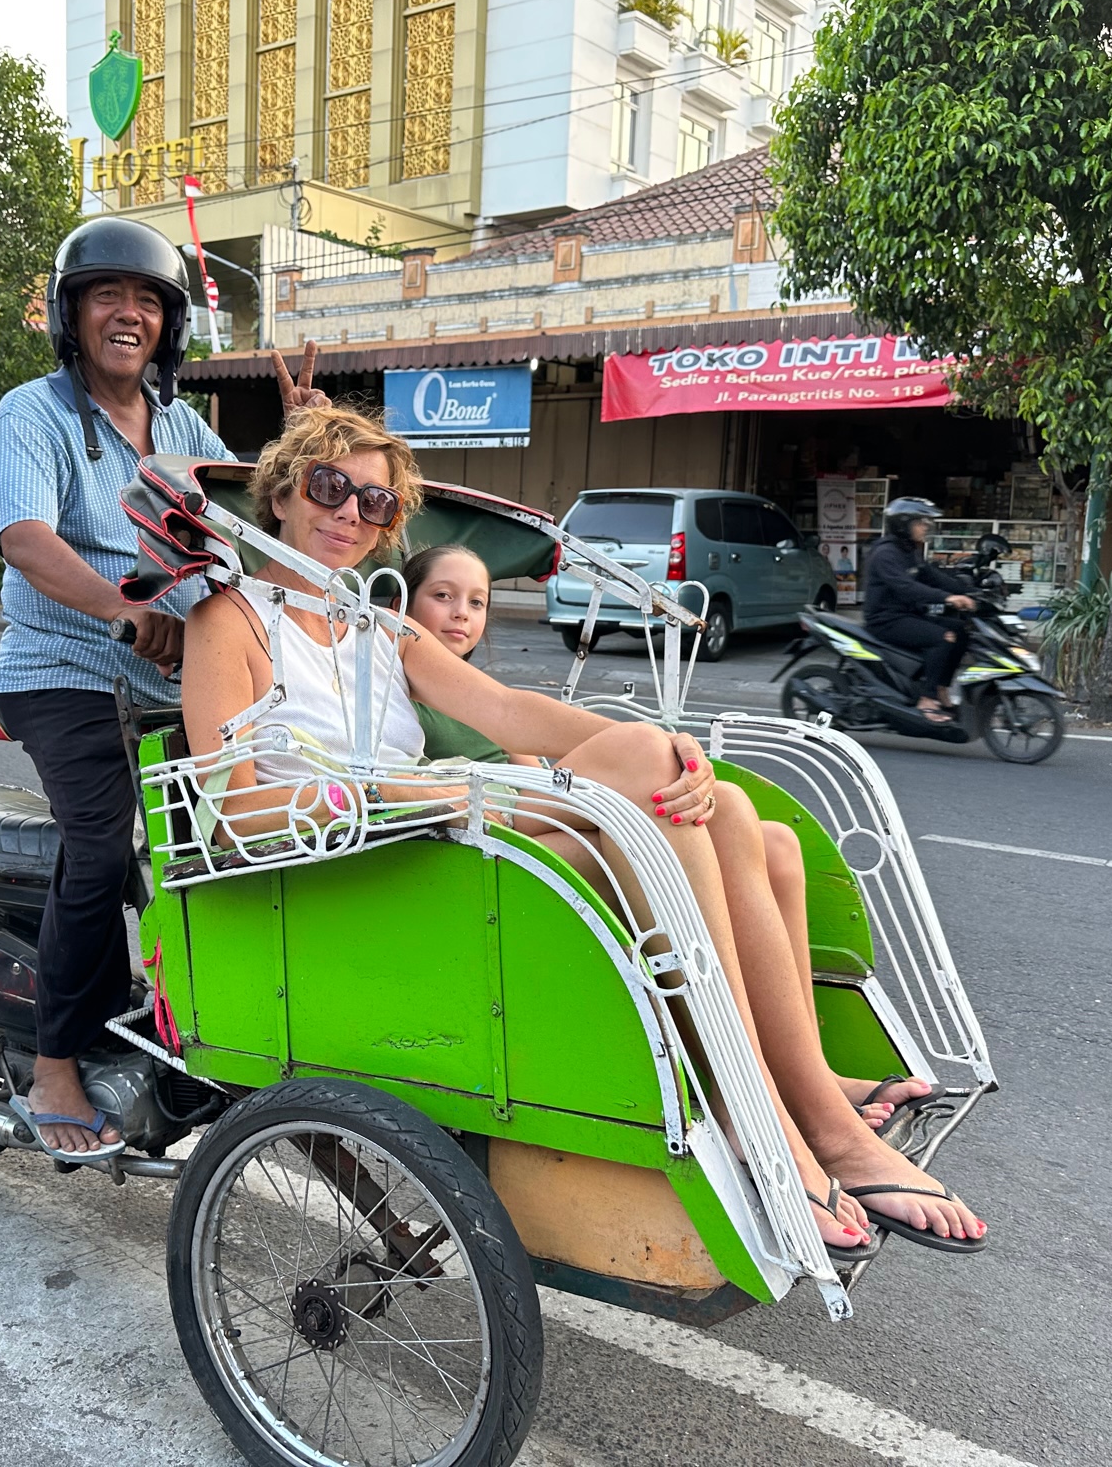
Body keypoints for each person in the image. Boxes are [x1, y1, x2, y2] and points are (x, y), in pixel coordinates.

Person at [182, 410, 985, 1254]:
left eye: (374, 503)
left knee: (725, 805)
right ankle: (791, 1127)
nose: (349, 514)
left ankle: (801, 1113)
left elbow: (506, 709)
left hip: (444, 836)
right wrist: (426, 795)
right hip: (356, 867)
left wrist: (675, 753)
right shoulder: (230, 622)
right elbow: (233, 812)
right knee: (652, 770)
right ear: (280, 492)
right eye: (331, 487)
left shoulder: (380, 622)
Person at [0, 216, 328, 1162]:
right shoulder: (34, 415)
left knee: (237, 832)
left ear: (170, 326)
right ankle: (54, 1064)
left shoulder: (178, 424)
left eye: (147, 302)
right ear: (73, 314)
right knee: (101, 846)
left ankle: (187, 1017)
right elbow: (26, 539)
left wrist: (298, 449)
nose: (129, 315)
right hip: (65, 668)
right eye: (108, 296)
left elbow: (247, 517)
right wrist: (121, 610)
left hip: (168, 676)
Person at [401, 542, 935, 1134]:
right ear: (405, 599)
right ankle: (747, 1089)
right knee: (658, 774)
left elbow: (529, 759)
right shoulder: (405, 671)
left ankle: (807, 1071)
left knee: (775, 842)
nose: (460, 614)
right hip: (478, 817)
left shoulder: (475, 685)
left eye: (476, 602)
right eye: (441, 597)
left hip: (527, 801)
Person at [863, 497, 976, 725]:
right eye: (920, 522)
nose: (925, 527)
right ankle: (927, 698)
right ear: (903, 525)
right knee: (943, 638)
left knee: (961, 630)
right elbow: (908, 588)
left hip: (907, 614)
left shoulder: (908, 551)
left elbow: (933, 577)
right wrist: (948, 598)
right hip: (885, 619)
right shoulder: (885, 554)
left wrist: (971, 592)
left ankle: (941, 687)